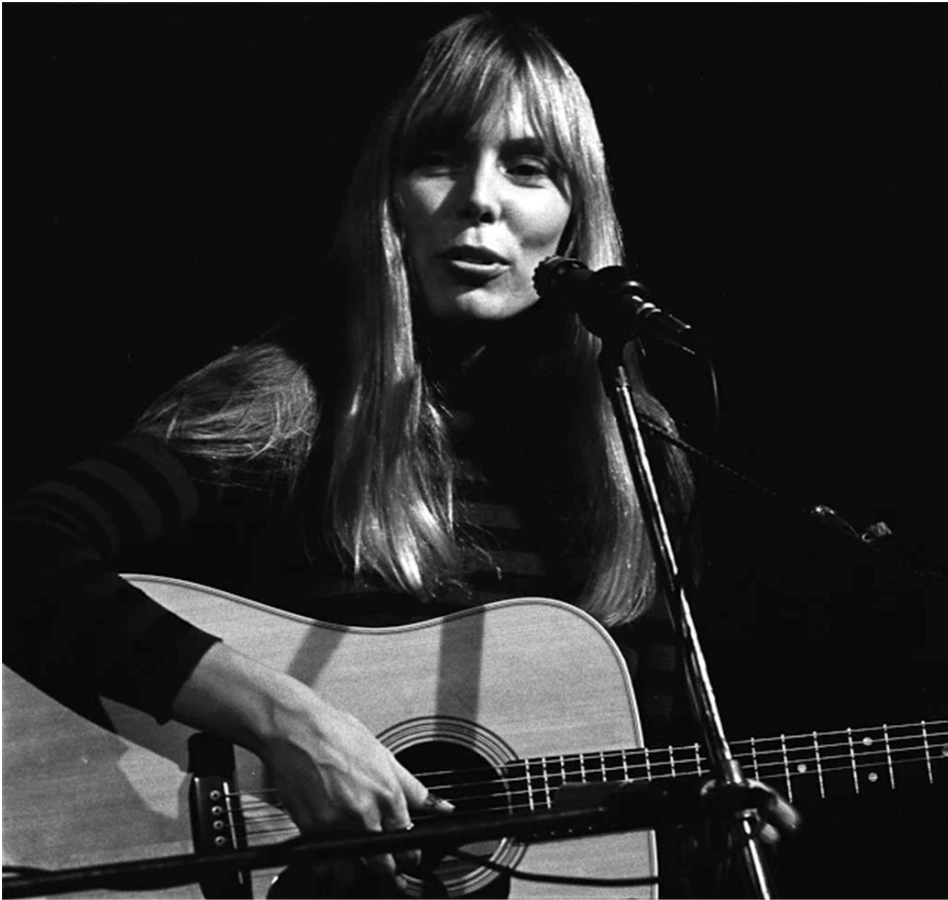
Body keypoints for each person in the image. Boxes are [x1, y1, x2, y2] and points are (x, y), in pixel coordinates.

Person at [5, 12, 795, 895]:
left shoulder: (634, 460)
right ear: (389, 198)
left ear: (575, 221)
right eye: (439, 159)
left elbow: (623, 797)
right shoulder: (284, 402)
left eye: (530, 168)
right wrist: (289, 724)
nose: (481, 198)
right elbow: (23, 555)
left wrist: (700, 824)